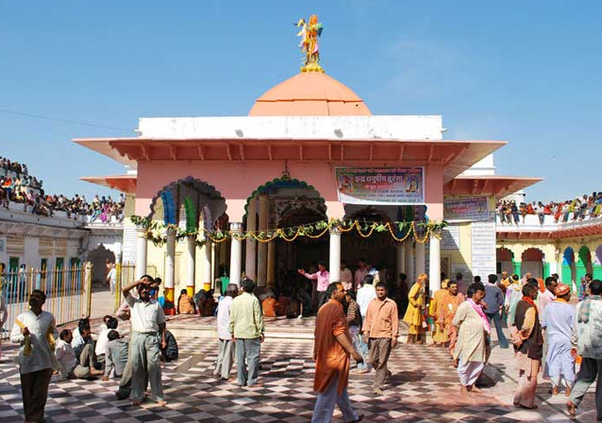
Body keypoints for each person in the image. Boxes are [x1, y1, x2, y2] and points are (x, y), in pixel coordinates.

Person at [311, 282, 364, 423]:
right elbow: (339, 333)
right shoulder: (335, 308)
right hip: (334, 357)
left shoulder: (323, 309)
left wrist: (316, 350)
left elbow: (317, 332)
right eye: (342, 291)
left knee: (340, 389)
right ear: (334, 293)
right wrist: (353, 352)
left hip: (326, 355)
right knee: (327, 393)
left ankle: (350, 416)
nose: (345, 293)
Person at [10, 289, 58, 423]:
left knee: (40, 394)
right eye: (32, 296)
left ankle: (36, 419)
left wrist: (50, 337)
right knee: (28, 393)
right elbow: (13, 337)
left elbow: (55, 334)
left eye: (37, 296)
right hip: (27, 361)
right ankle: (30, 418)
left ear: (43, 301)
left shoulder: (49, 317)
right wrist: (23, 335)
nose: (33, 298)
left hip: (45, 360)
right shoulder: (22, 317)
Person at [122, 276, 167, 406]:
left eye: (146, 288)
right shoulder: (133, 302)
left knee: (154, 367)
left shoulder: (156, 305)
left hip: (152, 337)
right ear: (138, 289)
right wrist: (139, 282)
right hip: (137, 337)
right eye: (141, 288)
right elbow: (124, 290)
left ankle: (157, 395)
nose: (144, 291)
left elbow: (162, 323)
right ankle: (137, 394)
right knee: (137, 367)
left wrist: (163, 339)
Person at [567, 279, 602, 419]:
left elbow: (574, 326)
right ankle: (601, 411)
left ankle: (573, 399)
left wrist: (574, 343)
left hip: (585, 346)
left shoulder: (580, 305)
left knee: (586, 375)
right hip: (599, 347)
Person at [452, 283, 491, 395]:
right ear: (474, 294)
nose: (482, 296)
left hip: (479, 339)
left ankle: (472, 383)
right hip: (468, 339)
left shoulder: (479, 306)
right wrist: (466, 329)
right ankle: (464, 385)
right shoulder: (465, 306)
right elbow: (456, 322)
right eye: (480, 294)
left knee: (478, 363)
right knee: (465, 362)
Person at [362, 282, 398, 395]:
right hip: (373, 335)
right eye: (378, 290)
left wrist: (394, 336)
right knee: (372, 360)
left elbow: (395, 321)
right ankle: (385, 372)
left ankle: (377, 385)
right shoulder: (372, 303)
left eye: (382, 290)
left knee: (382, 361)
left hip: (386, 335)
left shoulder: (391, 304)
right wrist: (366, 332)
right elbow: (368, 318)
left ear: (386, 291)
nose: (380, 292)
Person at [512, 283, 543, 409]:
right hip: (530, 345)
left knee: (522, 373)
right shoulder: (530, 308)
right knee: (531, 375)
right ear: (531, 293)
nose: (537, 293)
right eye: (535, 291)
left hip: (522, 346)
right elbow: (527, 328)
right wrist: (521, 338)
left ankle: (517, 398)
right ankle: (527, 402)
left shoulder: (520, 304)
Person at [229, 278, 264, 387]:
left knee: (240, 357)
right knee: (252, 357)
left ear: (242, 288)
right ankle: (251, 380)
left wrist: (232, 331)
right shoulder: (254, 300)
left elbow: (232, 317)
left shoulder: (235, 300)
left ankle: (241, 380)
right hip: (251, 332)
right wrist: (261, 331)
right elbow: (258, 317)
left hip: (239, 332)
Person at [542, 283, 575, 396]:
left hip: (553, 339)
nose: (570, 295)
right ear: (565, 295)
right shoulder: (570, 308)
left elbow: (544, 324)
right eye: (569, 293)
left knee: (554, 362)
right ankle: (568, 389)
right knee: (568, 363)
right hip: (567, 339)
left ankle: (555, 388)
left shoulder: (548, 307)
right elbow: (574, 326)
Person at [215, 283, 238, 380]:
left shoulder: (222, 301)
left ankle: (218, 370)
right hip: (228, 332)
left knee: (221, 353)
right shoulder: (232, 303)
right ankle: (225, 374)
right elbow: (233, 317)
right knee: (228, 355)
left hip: (221, 330)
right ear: (234, 292)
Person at [483, 274, 509, 349]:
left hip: (486, 308)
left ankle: (487, 343)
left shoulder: (484, 288)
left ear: (488, 279)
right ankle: (503, 343)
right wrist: (499, 305)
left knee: (487, 327)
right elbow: (501, 300)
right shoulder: (497, 289)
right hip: (495, 309)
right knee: (498, 327)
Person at [345, 290, 368, 373]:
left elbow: (352, 316)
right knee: (355, 347)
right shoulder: (355, 304)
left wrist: (344, 321)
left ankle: (362, 365)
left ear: (349, 296)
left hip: (353, 328)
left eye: (346, 296)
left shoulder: (352, 305)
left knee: (356, 347)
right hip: (356, 327)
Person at [440, 280, 465, 354]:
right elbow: (442, 310)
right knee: (452, 337)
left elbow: (464, 308)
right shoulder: (445, 298)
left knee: (456, 338)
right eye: (453, 287)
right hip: (449, 322)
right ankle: (453, 353)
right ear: (448, 288)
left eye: (456, 287)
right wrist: (441, 322)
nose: (455, 288)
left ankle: (454, 354)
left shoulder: (460, 296)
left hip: (458, 321)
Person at [404, 273, 427, 344]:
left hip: (418, 308)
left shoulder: (421, 287)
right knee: (414, 323)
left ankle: (416, 339)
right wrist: (416, 304)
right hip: (415, 308)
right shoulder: (416, 286)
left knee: (417, 323)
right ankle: (412, 339)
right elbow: (410, 296)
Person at [429, 279, 449, 347]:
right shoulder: (449, 293)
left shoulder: (437, 292)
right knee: (445, 326)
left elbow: (434, 303)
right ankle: (444, 342)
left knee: (437, 327)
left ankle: (436, 341)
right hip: (446, 312)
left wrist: (432, 312)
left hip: (438, 312)